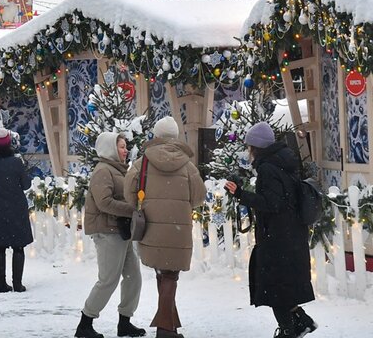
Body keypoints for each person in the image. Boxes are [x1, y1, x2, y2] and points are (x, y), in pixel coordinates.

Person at [224, 122, 316, 338]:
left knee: (274, 289)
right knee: (282, 287)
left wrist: (241, 194)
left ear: (256, 147)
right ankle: (302, 322)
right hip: (290, 235)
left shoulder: (267, 168)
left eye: (249, 147)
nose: (248, 151)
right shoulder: (283, 162)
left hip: (276, 238)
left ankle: (288, 331)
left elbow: (272, 203)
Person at [125, 116, 206, 338]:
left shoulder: (142, 163)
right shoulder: (188, 166)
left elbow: (129, 192)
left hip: (151, 228)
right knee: (170, 275)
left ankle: (169, 326)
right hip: (178, 231)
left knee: (164, 274)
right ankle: (165, 331)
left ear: (156, 136)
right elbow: (199, 197)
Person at [77, 132, 146, 338]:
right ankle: (85, 324)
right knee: (108, 279)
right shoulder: (103, 171)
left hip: (120, 230)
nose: (125, 150)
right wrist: (132, 209)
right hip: (106, 231)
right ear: (109, 148)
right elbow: (104, 202)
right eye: (121, 147)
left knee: (134, 276)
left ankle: (124, 322)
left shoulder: (119, 169)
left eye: (125, 146)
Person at [0, 127, 33, 292]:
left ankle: (1, 283)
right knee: (18, 246)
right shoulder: (16, 162)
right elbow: (26, 184)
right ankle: (17, 284)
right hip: (16, 208)